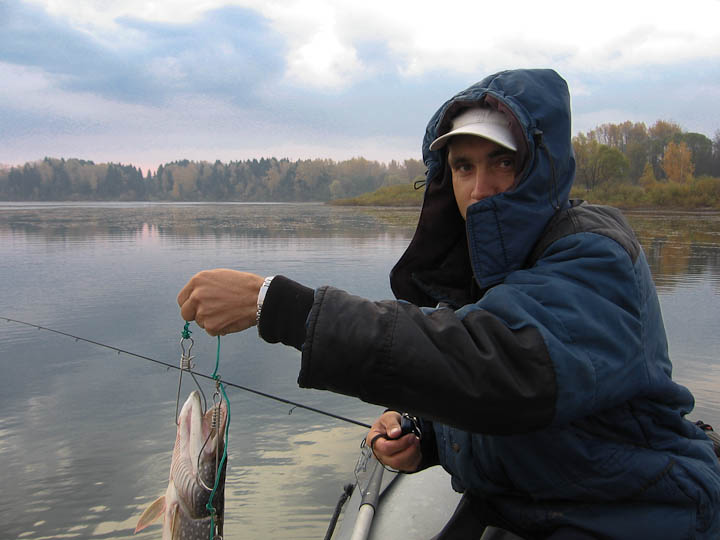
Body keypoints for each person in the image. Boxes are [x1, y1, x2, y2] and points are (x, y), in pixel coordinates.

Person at [177, 69, 720, 538]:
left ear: (541, 168)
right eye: (463, 166)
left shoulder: (594, 257)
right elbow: (489, 391)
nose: (479, 188)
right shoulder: (490, 273)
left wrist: (281, 307)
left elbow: (503, 368)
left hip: (635, 514)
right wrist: (428, 436)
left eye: (502, 162)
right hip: (532, 505)